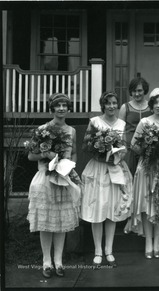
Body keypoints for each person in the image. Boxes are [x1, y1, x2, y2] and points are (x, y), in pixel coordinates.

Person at [27, 93, 81, 278]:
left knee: (61, 222)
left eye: (65, 105)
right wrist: (46, 154)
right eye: (58, 105)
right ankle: (46, 261)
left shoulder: (71, 130)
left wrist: (71, 168)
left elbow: (73, 153)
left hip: (63, 178)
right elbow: (30, 156)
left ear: (68, 108)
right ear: (52, 108)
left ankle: (59, 261)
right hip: (45, 179)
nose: (61, 109)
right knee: (46, 223)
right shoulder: (43, 129)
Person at [125, 88, 159, 259]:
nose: (158, 105)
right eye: (155, 102)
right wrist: (148, 150)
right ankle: (148, 241)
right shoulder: (145, 122)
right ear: (151, 105)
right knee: (146, 206)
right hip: (146, 169)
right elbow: (134, 145)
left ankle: (158, 241)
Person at [81, 91, 133, 268]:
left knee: (111, 209)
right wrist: (101, 153)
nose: (111, 106)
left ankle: (109, 250)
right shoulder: (95, 122)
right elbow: (86, 146)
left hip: (115, 168)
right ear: (103, 105)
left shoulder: (121, 123)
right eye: (108, 103)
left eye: (114, 103)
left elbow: (124, 148)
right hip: (98, 169)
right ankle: (97, 251)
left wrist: (117, 155)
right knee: (98, 209)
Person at [119, 77, 152, 175]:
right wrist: (123, 148)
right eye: (134, 91)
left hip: (148, 151)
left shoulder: (151, 107)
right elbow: (120, 130)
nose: (137, 94)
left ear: (144, 90)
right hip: (129, 150)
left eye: (139, 90)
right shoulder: (125, 107)